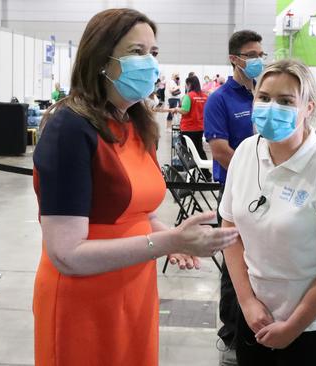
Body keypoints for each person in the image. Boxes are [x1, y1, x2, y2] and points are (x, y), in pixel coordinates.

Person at [31, 9, 238, 366]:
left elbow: (141, 211)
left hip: (134, 287)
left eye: (153, 53)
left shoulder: (136, 122)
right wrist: (169, 241)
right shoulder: (69, 128)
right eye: (136, 52)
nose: (149, 63)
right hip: (84, 298)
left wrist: (174, 237)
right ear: (101, 59)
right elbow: (66, 254)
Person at [221, 59, 316, 365]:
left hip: (313, 325)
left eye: (286, 101)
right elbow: (230, 231)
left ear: (309, 108)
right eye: (264, 98)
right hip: (255, 315)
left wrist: (293, 326)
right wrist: (247, 302)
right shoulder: (246, 152)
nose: (272, 107)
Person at [203, 29, 265, 365]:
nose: (258, 60)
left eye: (260, 54)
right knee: (234, 263)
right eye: (251, 54)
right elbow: (220, 150)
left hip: (268, 193)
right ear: (234, 58)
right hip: (236, 191)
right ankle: (230, 335)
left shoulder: (264, 96)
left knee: (263, 259)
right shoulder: (220, 100)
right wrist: (253, 173)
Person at [175, 75, 210, 178]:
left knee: (187, 152)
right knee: (199, 150)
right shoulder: (204, 96)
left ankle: (190, 174)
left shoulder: (189, 96)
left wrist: (177, 109)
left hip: (188, 128)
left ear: (189, 84)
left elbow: (185, 110)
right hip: (200, 128)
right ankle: (206, 174)